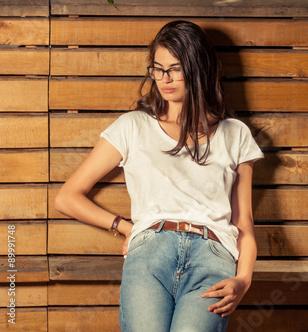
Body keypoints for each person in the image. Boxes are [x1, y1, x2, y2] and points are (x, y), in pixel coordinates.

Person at [54, 20, 264, 331]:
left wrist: (243, 280)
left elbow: (243, 223)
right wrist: (124, 228)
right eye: (158, 68)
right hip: (151, 251)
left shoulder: (235, 134)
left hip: (213, 256)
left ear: (198, 68)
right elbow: (66, 198)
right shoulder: (133, 126)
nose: (164, 78)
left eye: (175, 68)